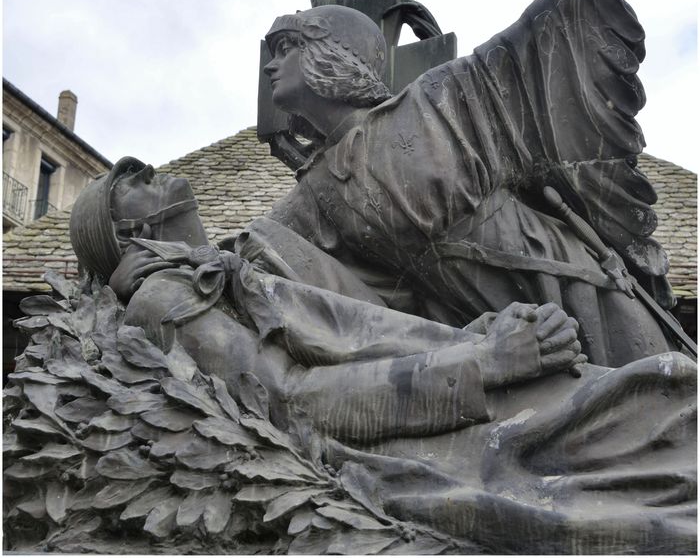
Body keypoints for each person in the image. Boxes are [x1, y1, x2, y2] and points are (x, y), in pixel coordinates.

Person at [67, 156, 696, 554]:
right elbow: (293, 404)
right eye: (135, 183)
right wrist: (489, 363)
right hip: (412, 439)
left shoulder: (233, 263)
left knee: (670, 401)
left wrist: (488, 331)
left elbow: (375, 333)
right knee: (669, 399)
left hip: (462, 398)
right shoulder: (163, 296)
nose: (155, 172)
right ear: (131, 235)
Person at [259, 0, 689, 367]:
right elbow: (252, 253)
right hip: (492, 334)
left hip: (572, 285)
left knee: (667, 393)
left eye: (286, 48)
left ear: (329, 56)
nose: (270, 64)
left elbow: (533, 35)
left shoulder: (433, 101)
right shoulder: (316, 192)